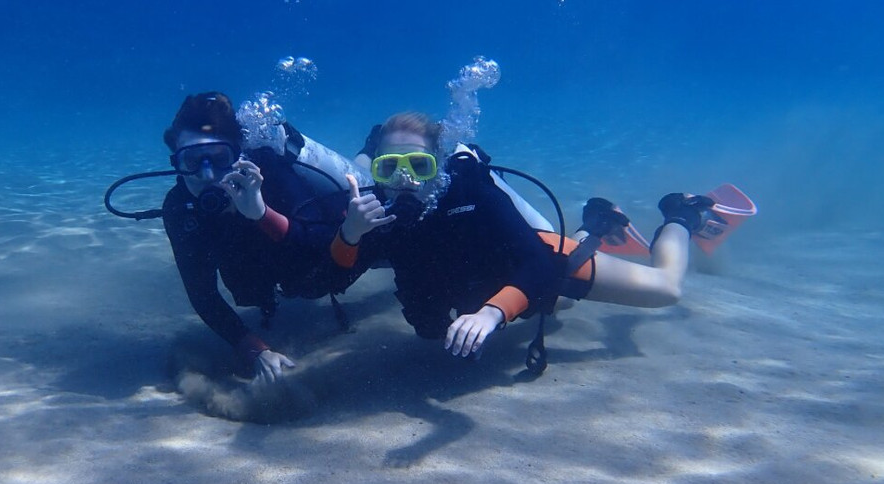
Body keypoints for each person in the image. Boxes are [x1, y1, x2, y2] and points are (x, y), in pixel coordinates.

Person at [331, 111, 714, 372]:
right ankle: (595, 224)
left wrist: (491, 313)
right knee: (559, 307)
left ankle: (680, 213)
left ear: (439, 163)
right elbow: (329, 280)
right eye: (388, 167)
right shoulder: (373, 212)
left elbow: (539, 263)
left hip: (533, 264)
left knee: (666, 290)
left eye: (418, 165)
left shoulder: (470, 192)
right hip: (490, 285)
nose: (404, 181)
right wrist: (349, 232)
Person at [161, 92, 353, 382]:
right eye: (192, 160)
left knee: (320, 281)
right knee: (248, 290)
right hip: (260, 272)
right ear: (176, 161)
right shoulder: (179, 208)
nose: (207, 174)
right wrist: (256, 350)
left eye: (218, 158)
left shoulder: (271, 174)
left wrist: (263, 215)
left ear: (238, 155)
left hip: (323, 260)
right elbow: (202, 293)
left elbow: (327, 243)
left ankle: (370, 148)